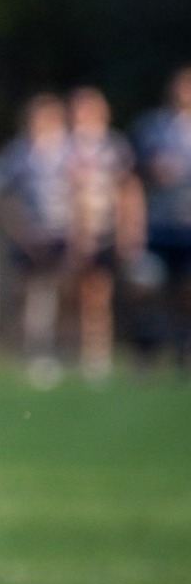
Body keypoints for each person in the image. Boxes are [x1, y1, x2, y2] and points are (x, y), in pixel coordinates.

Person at [62, 86, 143, 381]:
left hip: (102, 229)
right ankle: (66, 350)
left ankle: (97, 354)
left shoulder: (113, 146)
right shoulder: (64, 145)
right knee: (69, 294)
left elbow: (127, 188)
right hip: (67, 231)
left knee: (98, 294)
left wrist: (128, 228)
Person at [0, 93, 73, 386]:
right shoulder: (18, 153)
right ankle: (32, 350)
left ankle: (62, 349)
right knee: (29, 294)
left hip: (60, 232)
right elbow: (8, 199)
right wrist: (22, 232)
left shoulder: (68, 151)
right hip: (28, 235)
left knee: (61, 292)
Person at [133, 65, 191, 367]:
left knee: (187, 288)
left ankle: (184, 346)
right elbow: (134, 174)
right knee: (147, 283)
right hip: (160, 225)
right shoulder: (154, 127)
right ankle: (149, 346)